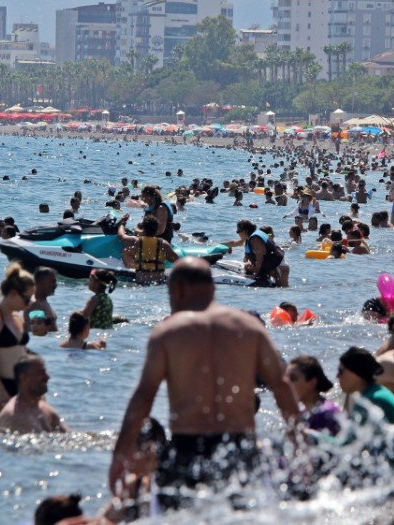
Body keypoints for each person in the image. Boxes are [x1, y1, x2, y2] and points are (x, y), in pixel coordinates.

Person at [108, 257, 299, 511]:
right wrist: (299, 440)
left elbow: (144, 397)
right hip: (239, 448)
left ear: (176, 290)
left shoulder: (168, 333)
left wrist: (120, 454)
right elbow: (282, 386)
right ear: (212, 288)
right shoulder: (249, 328)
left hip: (186, 449)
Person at [322, 346, 394, 476]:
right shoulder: (375, 392)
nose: (337, 376)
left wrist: (315, 437)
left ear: (356, 373)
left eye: (341, 371)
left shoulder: (369, 402)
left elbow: (348, 444)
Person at [0, 263, 33, 422]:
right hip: (1, 389)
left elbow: (21, 351)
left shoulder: (17, 317)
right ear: (14, 293)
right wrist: (1, 390)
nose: (29, 303)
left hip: (23, 388)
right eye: (27, 298)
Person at [0, 354, 70, 434]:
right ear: (24, 378)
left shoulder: (43, 407)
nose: (47, 377)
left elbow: (68, 435)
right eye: (40, 373)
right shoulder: (17, 416)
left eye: (45, 372)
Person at [117, 214, 179, 285]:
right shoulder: (163, 244)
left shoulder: (136, 241)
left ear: (143, 229)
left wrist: (122, 223)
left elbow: (121, 235)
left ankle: (132, 266)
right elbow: (176, 260)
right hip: (160, 282)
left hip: (141, 281)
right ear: (156, 230)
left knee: (125, 251)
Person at [288, 355, 342, 435]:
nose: (287, 384)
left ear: (312, 383)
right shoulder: (303, 414)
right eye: (286, 379)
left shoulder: (325, 414)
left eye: (293, 379)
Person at [237, 218, 286, 287]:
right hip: (275, 264)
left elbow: (260, 257)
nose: (238, 233)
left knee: (282, 290)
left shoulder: (255, 239)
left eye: (238, 231)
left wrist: (255, 274)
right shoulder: (250, 238)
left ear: (245, 231)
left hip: (278, 266)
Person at [25, 267, 58, 335]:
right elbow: (31, 332)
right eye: (52, 281)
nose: (55, 285)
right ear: (40, 282)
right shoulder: (34, 304)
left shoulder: (42, 301)